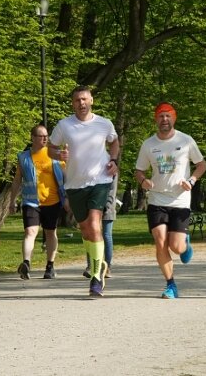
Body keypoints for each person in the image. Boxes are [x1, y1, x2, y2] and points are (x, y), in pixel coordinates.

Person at [49, 85, 119, 297]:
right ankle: (99, 264)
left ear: (91, 101)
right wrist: (58, 154)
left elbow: (114, 141)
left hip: (100, 180)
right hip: (74, 184)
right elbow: (50, 148)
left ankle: (96, 277)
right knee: (85, 228)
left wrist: (114, 160)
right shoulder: (64, 125)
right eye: (77, 100)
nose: (81, 103)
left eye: (85, 99)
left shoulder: (104, 123)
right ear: (73, 103)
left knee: (95, 224)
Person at [135, 102, 206, 299]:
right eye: (160, 116)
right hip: (157, 199)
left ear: (174, 118)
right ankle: (171, 285)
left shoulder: (186, 140)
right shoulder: (148, 144)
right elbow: (139, 171)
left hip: (180, 201)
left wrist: (192, 180)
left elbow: (201, 164)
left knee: (176, 247)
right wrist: (143, 181)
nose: (164, 120)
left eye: (168, 116)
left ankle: (185, 244)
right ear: (155, 119)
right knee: (160, 242)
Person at [10, 125, 67, 280]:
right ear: (33, 138)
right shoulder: (24, 157)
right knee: (30, 232)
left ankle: (50, 266)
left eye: (46, 136)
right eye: (41, 136)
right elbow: (17, 181)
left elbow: (66, 176)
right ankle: (26, 263)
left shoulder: (54, 155)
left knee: (50, 233)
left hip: (53, 201)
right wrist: (12, 200)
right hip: (31, 201)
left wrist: (68, 198)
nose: (44, 139)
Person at [85, 175, 117, 279]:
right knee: (91, 235)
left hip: (107, 208)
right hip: (93, 206)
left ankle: (107, 266)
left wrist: (106, 206)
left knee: (106, 235)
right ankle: (91, 266)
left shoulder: (112, 169)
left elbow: (112, 190)